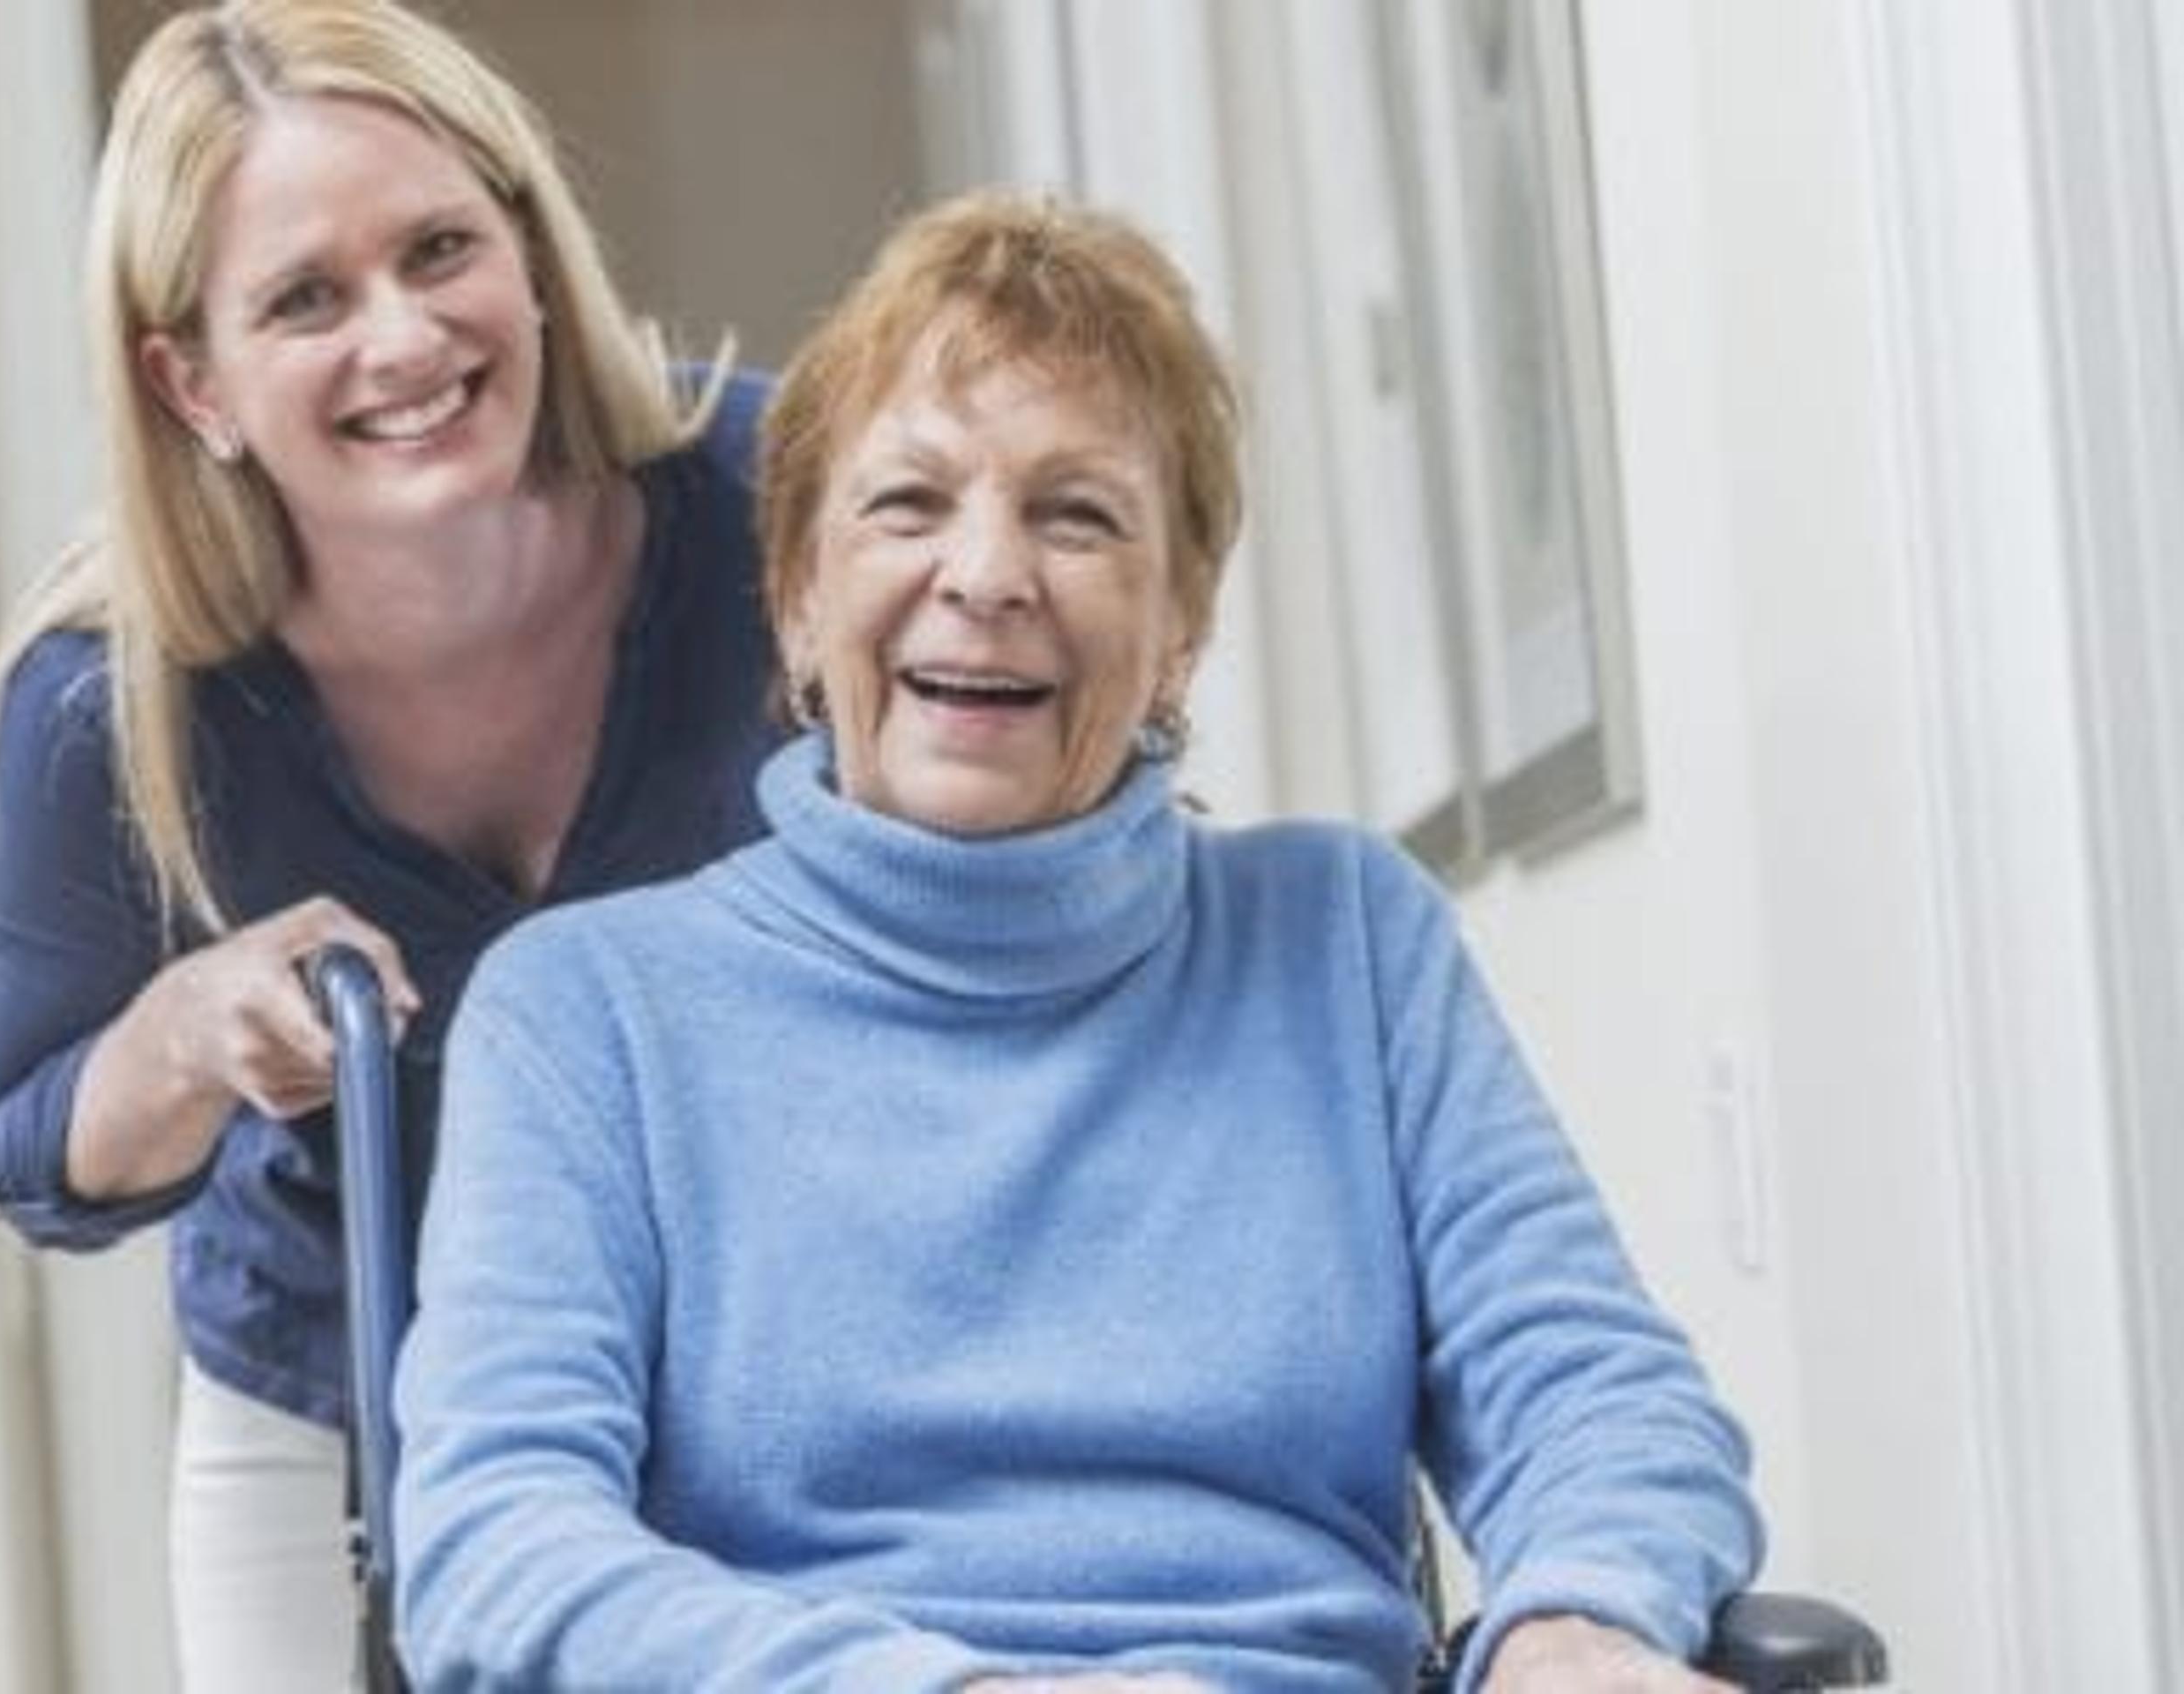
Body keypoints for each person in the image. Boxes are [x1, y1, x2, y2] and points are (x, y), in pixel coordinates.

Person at [392, 190, 1761, 1693]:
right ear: (797, 597)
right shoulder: (590, 1010)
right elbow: (493, 1543)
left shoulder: (1347, 941)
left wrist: (1574, 1623)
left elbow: (1599, 1397)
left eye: (1078, 514)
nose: (985, 576)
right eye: (909, 504)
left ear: (1181, 626)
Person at [0, 1, 780, 1686]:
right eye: (306, 299)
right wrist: (186, 1031)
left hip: (772, 1362)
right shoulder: (112, 706)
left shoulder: (780, 499)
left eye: (441, 248)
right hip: (338, 1427)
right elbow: (16, 1140)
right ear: (196, 380)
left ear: (533, 253)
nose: (403, 340)